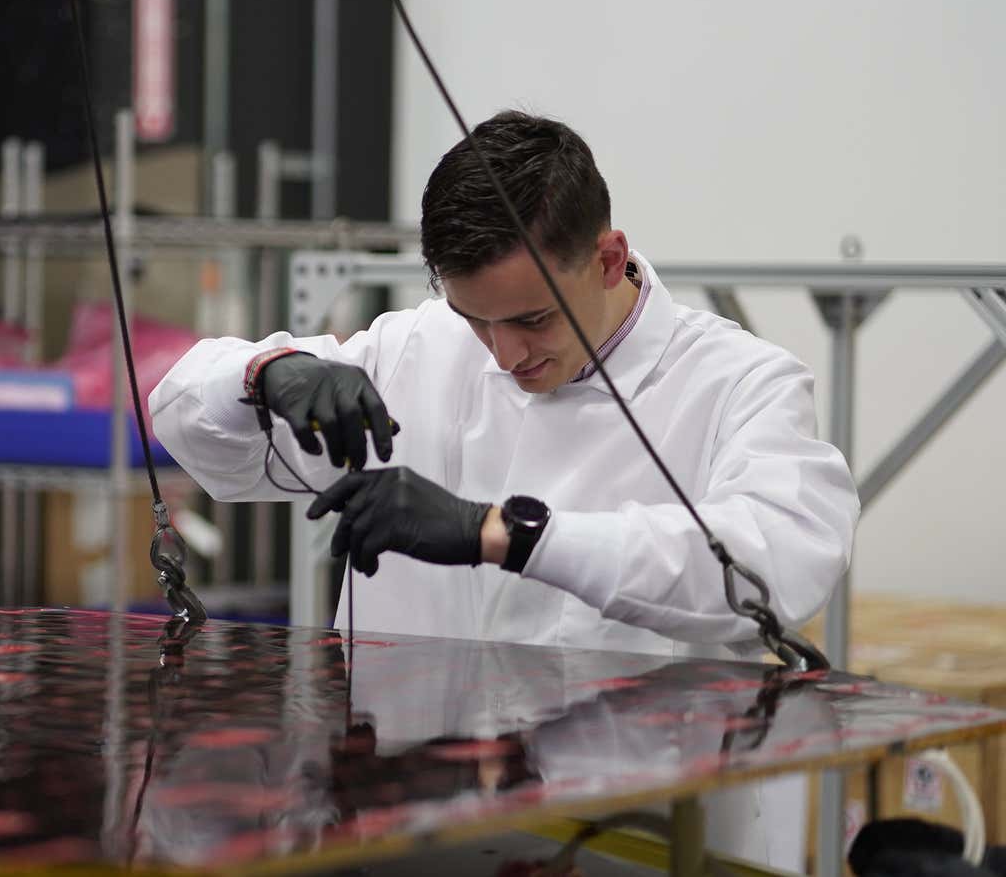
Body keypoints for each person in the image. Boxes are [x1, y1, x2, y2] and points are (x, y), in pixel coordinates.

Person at [148, 110, 860, 868]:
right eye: (477, 320)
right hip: (422, 827)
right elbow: (186, 418)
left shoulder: (738, 384)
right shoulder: (417, 351)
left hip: (649, 840)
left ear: (610, 257)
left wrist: (507, 533)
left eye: (534, 319)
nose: (506, 353)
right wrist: (267, 374)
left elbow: (779, 564)